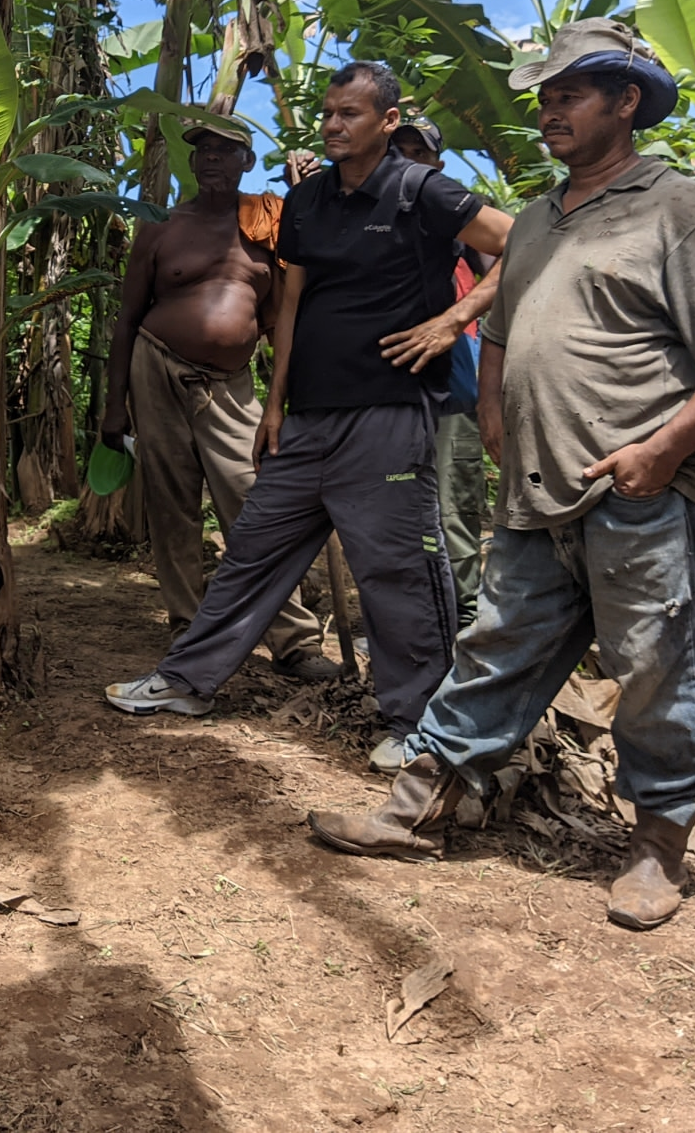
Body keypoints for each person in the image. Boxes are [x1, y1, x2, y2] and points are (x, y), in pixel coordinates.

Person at [308, 20, 695, 934]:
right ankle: (421, 804)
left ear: (626, 102)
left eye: (570, 93)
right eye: (544, 96)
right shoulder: (533, 219)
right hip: (537, 489)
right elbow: (497, 328)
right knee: (496, 646)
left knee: (654, 667)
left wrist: (660, 452)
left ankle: (658, 846)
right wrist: (493, 412)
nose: (549, 111)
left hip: (643, 490)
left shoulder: (679, 209)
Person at [105, 62, 513, 773]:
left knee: (396, 572)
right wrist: (273, 404)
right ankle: (188, 680)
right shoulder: (307, 202)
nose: (332, 125)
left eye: (349, 114)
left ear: (387, 123)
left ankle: (417, 719)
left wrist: (455, 319)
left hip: (388, 410)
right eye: (328, 113)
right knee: (252, 550)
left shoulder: (420, 189)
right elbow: (288, 305)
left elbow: (519, 241)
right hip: (310, 417)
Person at [98, 121, 337, 684]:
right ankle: (187, 623)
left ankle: (292, 639)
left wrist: (290, 396)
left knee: (256, 502)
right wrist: (114, 407)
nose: (211, 159)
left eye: (224, 151)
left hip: (231, 385)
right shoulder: (161, 227)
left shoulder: (269, 221)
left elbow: (288, 312)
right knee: (171, 504)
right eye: (202, 150)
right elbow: (127, 319)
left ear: (247, 162)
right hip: (155, 367)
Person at [388, 120, 497, 629]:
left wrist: (457, 317)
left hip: (453, 390)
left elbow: (515, 253)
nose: (409, 159)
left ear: (437, 165)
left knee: (454, 509)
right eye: (400, 150)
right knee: (395, 508)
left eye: (419, 152)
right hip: (389, 394)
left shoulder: (460, 221)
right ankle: (407, 617)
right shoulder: (372, 217)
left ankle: (464, 616)